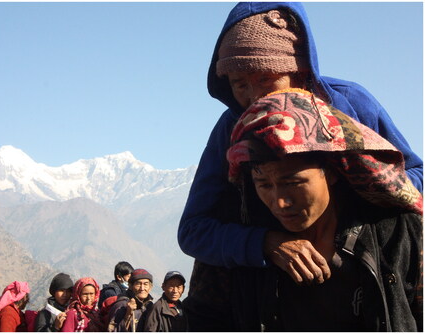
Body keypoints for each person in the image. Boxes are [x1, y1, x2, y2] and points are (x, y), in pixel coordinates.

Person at [177, 2, 424, 331]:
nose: (253, 98)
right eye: (239, 84)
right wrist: (268, 243)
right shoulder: (231, 129)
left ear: (301, 71)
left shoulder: (350, 103)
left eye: (267, 80)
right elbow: (194, 230)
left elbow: (413, 181)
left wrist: (352, 191)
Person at [225, 90, 422, 331]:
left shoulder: (398, 233)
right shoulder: (236, 241)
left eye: (293, 183)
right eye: (264, 185)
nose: (279, 202)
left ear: (331, 172)